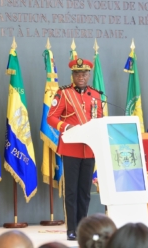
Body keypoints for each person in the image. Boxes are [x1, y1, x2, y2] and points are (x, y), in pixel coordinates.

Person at [47, 58, 103, 240]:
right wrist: (65, 127)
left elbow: (99, 119)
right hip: (71, 148)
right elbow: (51, 118)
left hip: (89, 149)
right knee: (71, 191)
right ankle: (71, 229)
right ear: (73, 75)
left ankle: (83, 227)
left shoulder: (96, 95)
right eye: (78, 73)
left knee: (85, 192)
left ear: (89, 75)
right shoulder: (63, 94)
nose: (81, 77)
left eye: (84, 74)